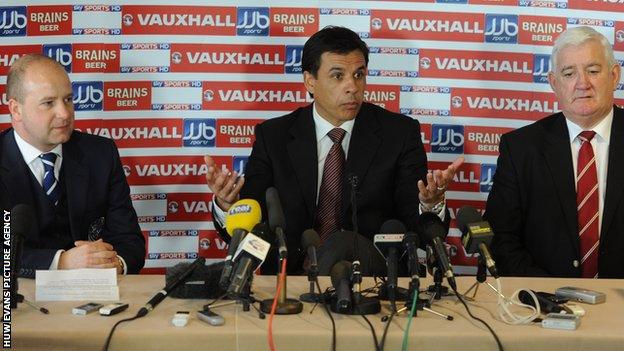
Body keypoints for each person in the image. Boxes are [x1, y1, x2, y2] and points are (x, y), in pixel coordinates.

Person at [205, 26, 463, 274]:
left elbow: (414, 221)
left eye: (359, 74)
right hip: (291, 281)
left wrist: (429, 205)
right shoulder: (274, 137)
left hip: (376, 280)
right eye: (338, 76)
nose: (352, 87)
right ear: (310, 81)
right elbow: (254, 220)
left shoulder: (399, 134)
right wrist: (229, 206)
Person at [486, 26, 624, 278]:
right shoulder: (520, 148)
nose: (583, 83)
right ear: (553, 82)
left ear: (614, 75)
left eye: (593, 71)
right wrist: (549, 295)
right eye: (569, 73)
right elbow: (501, 237)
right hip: (544, 304)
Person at [0, 54, 145, 277]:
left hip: (94, 299)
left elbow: (130, 242)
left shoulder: (101, 154)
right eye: (48, 103)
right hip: (16, 303)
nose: (65, 113)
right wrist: (61, 262)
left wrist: (114, 263)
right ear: (16, 109)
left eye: (68, 99)